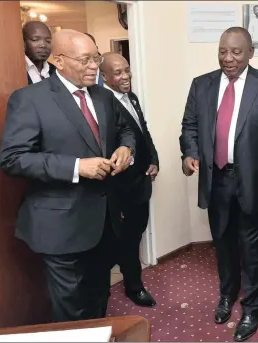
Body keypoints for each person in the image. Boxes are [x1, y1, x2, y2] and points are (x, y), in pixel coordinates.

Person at [0, 29, 136, 322]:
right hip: (59, 227)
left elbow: (125, 128)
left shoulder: (103, 95)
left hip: (104, 223)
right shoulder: (30, 99)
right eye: (84, 60)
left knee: (100, 294)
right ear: (58, 61)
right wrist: (76, 166)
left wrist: (126, 148)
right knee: (71, 309)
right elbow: (13, 159)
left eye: (96, 57)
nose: (94, 66)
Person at [180, 27, 258, 342]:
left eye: (236, 52)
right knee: (224, 243)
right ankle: (227, 295)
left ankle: (253, 307)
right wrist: (189, 151)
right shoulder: (201, 85)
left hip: (256, 181)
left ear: (250, 53)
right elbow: (189, 125)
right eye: (223, 51)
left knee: (255, 248)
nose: (228, 59)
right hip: (215, 179)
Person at [100, 52, 159, 308]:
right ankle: (133, 287)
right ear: (104, 77)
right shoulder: (101, 104)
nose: (125, 76)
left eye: (127, 70)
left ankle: (130, 278)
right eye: (118, 73)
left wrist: (154, 159)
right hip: (118, 185)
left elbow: (143, 131)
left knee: (136, 233)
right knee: (122, 239)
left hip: (140, 182)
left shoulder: (131, 97)